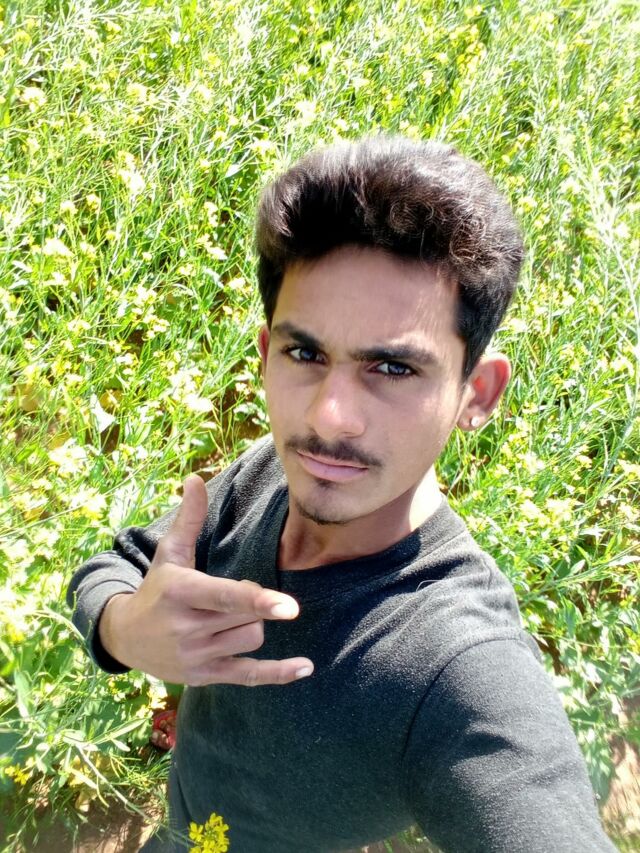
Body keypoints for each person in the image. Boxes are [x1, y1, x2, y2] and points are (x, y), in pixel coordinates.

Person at [67, 136, 615, 853]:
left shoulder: (458, 668)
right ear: (265, 354)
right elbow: (117, 566)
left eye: (392, 368)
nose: (329, 418)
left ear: (476, 394)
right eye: (305, 353)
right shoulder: (268, 471)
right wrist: (122, 630)